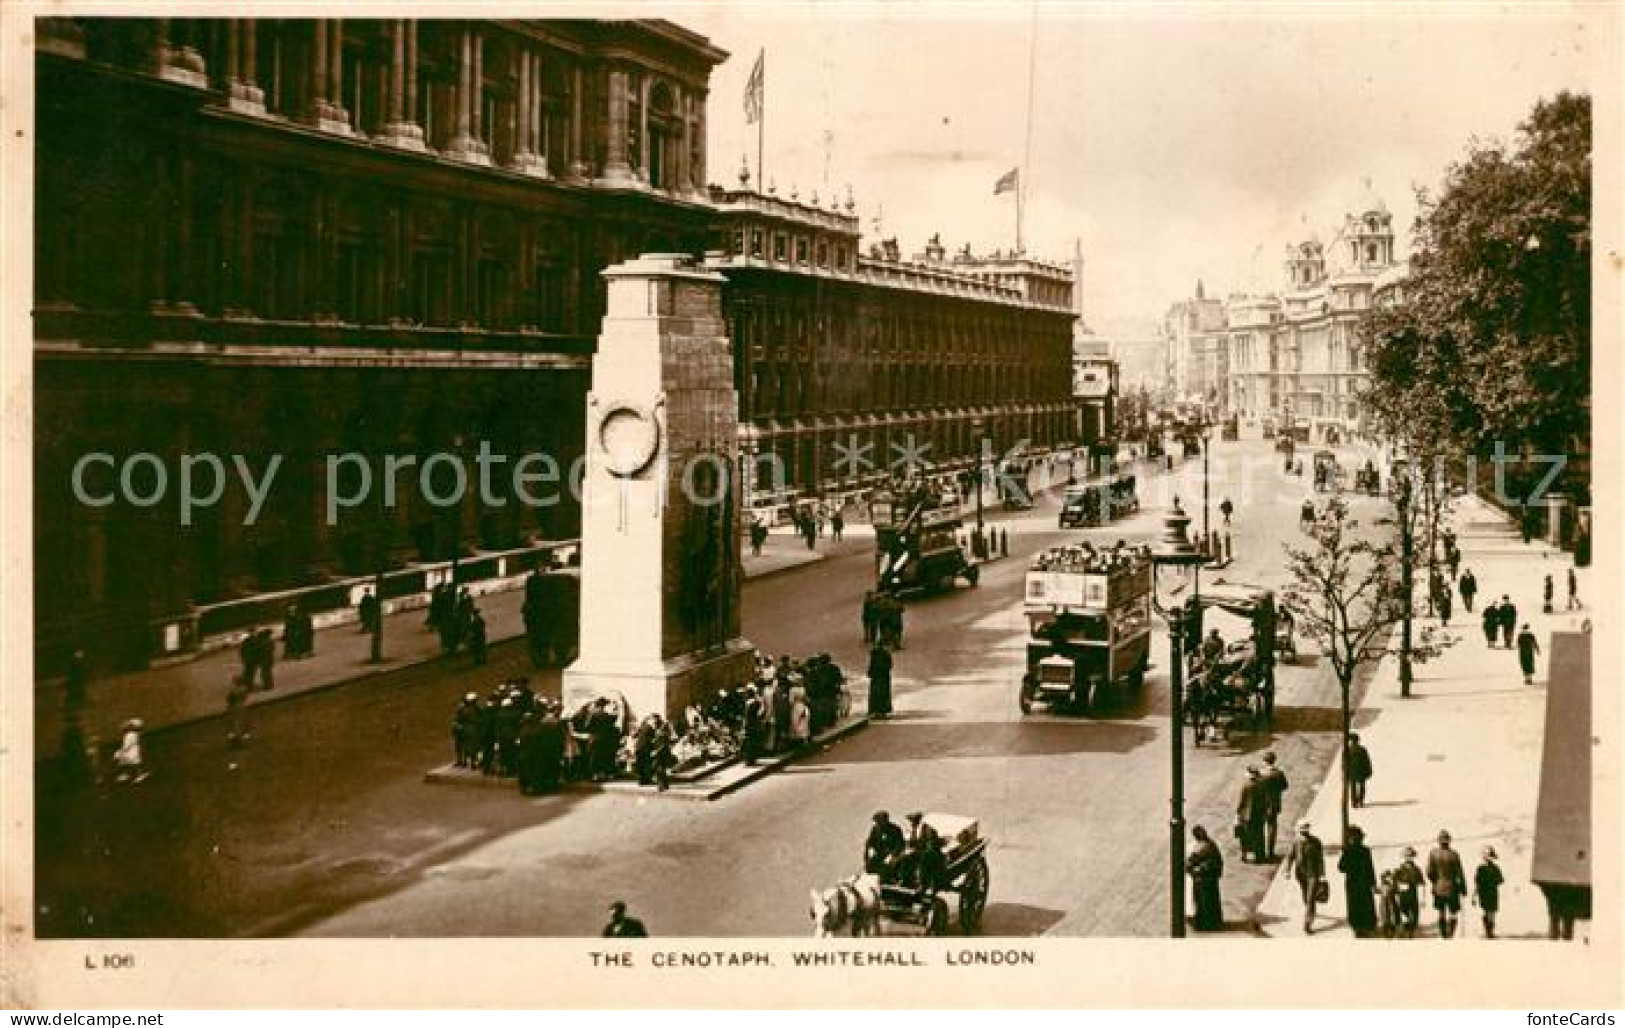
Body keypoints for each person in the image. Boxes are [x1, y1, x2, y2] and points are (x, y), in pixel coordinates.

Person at [1285, 821, 1326, 934]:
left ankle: (1307, 924)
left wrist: (1322, 875)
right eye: (1301, 829)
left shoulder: (1316, 842)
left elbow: (1320, 859)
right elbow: (1290, 856)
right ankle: (1311, 912)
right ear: (1298, 830)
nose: (1303, 832)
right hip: (1301, 874)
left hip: (1313, 874)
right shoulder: (1296, 842)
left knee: (1310, 898)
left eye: (1305, 829)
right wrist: (1287, 870)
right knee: (1305, 896)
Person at [1339, 825, 1379, 938]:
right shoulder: (1365, 851)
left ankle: (1357, 928)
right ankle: (1368, 926)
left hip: (1352, 884)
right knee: (1366, 904)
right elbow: (1370, 868)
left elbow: (1341, 867)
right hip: (1364, 883)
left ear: (1350, 839)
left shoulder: (1348, 851)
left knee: (1354, 905)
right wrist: (1373, 884)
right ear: (1361, 838)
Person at [1427, 829, 1468, 938]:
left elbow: (1429, 872)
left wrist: (1436, 882)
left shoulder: (1433, 853)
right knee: (1453, 912)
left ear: (1439, 841)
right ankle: (1450, 935)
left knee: (1441, 912)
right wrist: (1464, 889)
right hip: (1453, 888)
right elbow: (1460, 872)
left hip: (1439, 887)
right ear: (1449, 841)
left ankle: (1444, 935)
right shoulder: (1454, 854)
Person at [1185, 825, 1225, 931]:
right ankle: (1213, 922)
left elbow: (1190, 862)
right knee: (1210, 901)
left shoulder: (1202, 847)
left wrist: (1193, 869)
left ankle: (1205, 924)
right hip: (1210, 878)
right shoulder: (1211, 844)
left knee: (1203, 902)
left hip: (1202, 879)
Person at [1235, 766, 1270, 864]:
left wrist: (1237, 813)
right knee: (1259, 836)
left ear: (1250, 774)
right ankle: (1260, 856)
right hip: (1259, 815)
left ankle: (1245, 856)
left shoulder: (1246, 785)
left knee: (1245, 837)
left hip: (1247, 816)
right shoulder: (1263, 784)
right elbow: (1266, 800)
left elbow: (1242, 802)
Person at [1260, 751, 1289, 858]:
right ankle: (1270, 851)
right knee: (1272, 827)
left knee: (1260, 828)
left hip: (1261, 804)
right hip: (1274, 803)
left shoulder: (1261, 773)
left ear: (1264, 761)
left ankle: (1261, 851)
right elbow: (1285, 786)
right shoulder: (1279, 773)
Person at [1393, 847, 1425, 938]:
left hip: (1413, 896)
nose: (1408, 857)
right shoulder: (1399, 870)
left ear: (1413, 857)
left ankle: (1411, 936)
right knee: (1404, 919)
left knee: (1413, 921)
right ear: (1403, 857)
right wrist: (1398, 891)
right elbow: (1394, 884)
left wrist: (1422, 899)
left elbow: (1421, 884)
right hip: (1403, 897)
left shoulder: (1417, 870)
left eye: (1410, 856)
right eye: (1406, 856)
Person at [1474, 846, 1505, 939]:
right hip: (1488, 892)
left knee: (1489, 912)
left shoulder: (1486, 868)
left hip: (1488, 892)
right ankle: (1489, 932)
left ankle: (1489, 932)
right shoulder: (1484, 868)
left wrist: (1475, 894)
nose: (1488, 858)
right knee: (1489, 911)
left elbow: (1501, 879)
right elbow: (1477, 881)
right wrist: (1474, 895)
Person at [865, 812, 906, 878]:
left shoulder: (895, 829)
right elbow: (870, 842)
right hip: (880, 854)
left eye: (881, 821)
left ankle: (890, 880)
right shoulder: (875, 830)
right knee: (870, 866)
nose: (879, 824)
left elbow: (900, 844)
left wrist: (892, 855)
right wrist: (870, 853)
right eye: (877, 822)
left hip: (894, 855)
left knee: (888, 866)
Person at [113, 718, 147, 784]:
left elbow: (127, 745)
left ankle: (138, 774)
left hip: (130, 752)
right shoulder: (131, 734)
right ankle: (127, 775)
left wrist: (120, 752)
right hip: (130, 752)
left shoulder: (131, 735)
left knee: (132, 763)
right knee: (128, 763)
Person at [1345, 733, 1373, 808]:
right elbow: (1367, 761)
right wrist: (1369, 770)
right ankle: (1360, 801)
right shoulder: (1362, 750)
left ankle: (1354, 802)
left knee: (1353, 787)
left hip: (1352, 771)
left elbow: (1345, 762)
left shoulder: (1348, 750)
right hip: (1361, 771)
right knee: (1361, 786)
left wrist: (1345, 772)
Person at [867, 642, 893, 718]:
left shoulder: (875, 653)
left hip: (878, 677)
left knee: (877, 694)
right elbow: (890, 665)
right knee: (881, 694)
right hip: (882, 677)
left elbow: (872, 664)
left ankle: (877, 711)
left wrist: (871, 672)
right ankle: (881, 711)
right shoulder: (884, 653)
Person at [226, 675, 251, 748]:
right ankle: (243, 735)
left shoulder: (234, 690)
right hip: (242, 705)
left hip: (235, 706)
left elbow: (229, 698)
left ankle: (237, 737)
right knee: (242, 720)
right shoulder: (244, 688)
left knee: (236, 721)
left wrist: (230, 705)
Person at [1378, 870, 1401, 939]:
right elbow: (1377, 890)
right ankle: (1385, 932)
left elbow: (1397, 891)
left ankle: (1392, 931)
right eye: (1387, 877)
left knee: (1392, 918)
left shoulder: (1393, 885)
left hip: (1392, 904)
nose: (1388, 878)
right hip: (1384, 905)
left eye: (1389, 877)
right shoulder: (1383, 885)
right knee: (1385, 918)